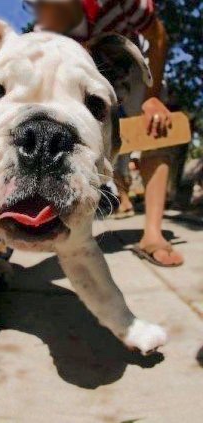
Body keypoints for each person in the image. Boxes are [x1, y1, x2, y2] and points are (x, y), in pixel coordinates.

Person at [26, 0, 183, 266]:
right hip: (78, 75)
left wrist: (152, 98)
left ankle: (153, 234)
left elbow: (157, 36)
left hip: (129, 65)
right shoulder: (46, 29)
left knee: (155, 128)